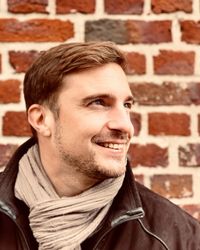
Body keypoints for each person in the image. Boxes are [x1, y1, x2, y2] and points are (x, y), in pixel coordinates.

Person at [0, 41, 199, 250]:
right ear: (41, 119)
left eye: (127, 105)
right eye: (98, 103)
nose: (125, 125)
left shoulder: (179, 240)